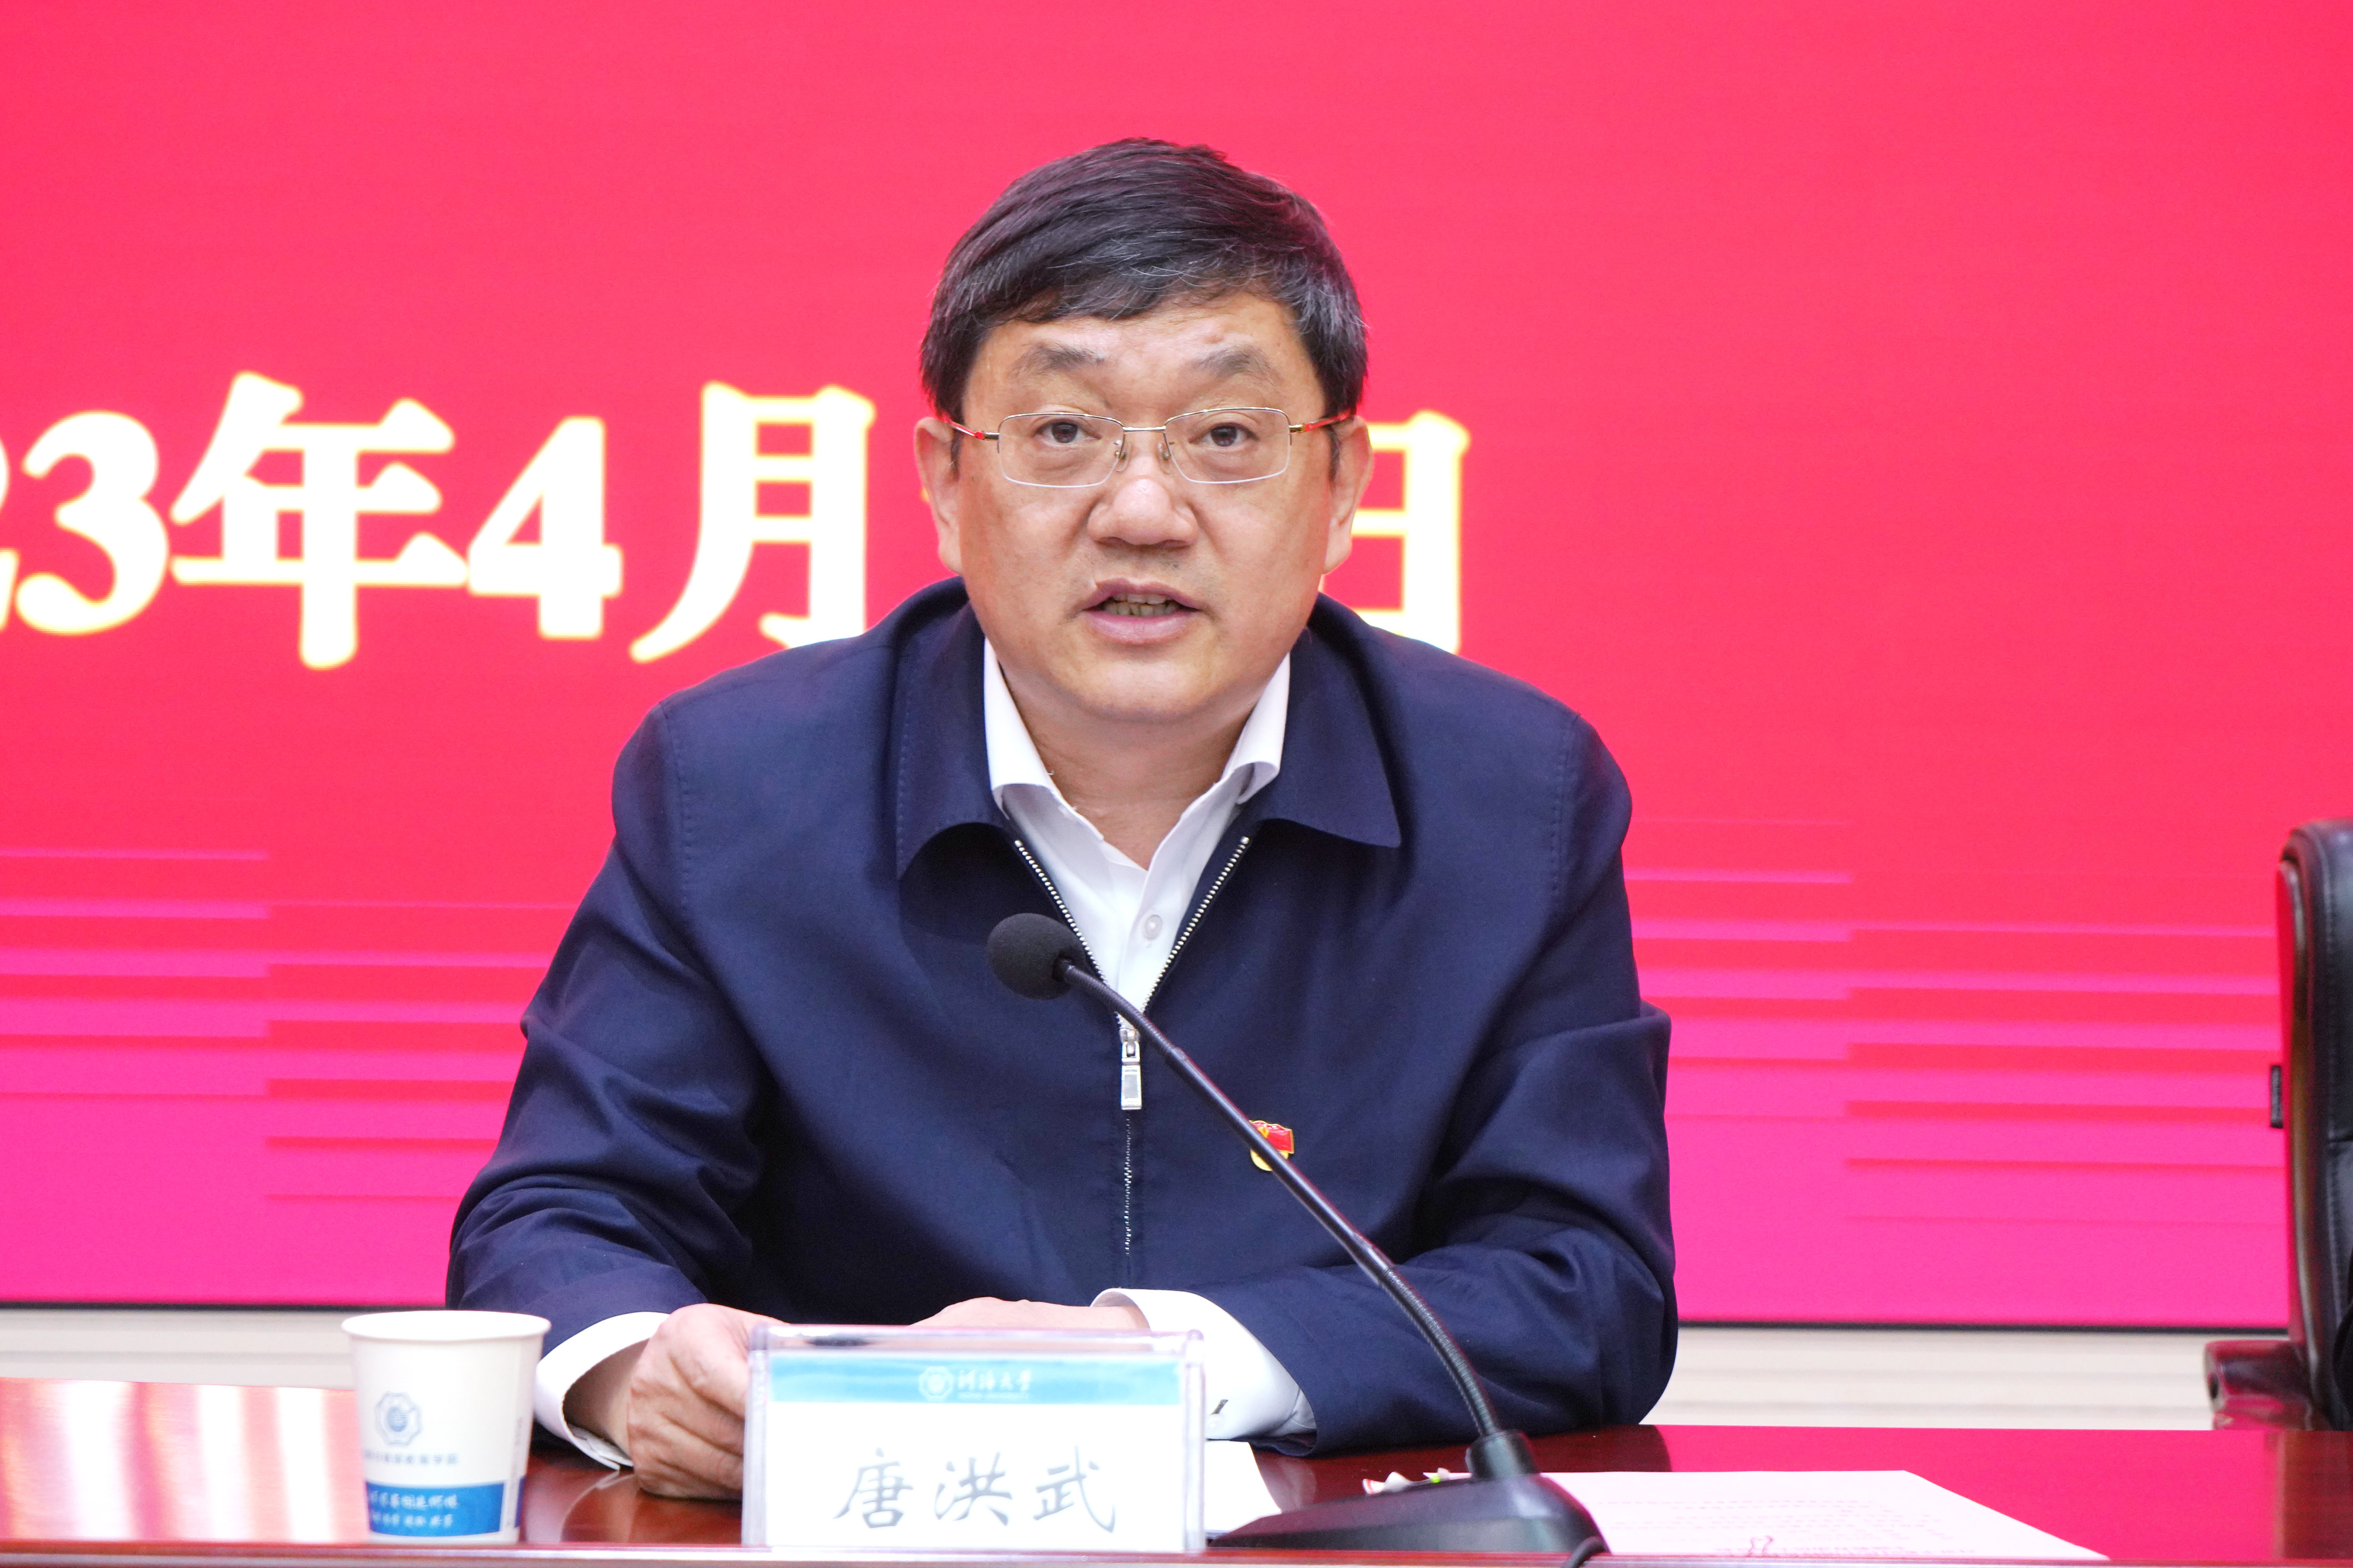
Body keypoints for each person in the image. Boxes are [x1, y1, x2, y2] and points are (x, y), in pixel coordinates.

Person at [448, 138, 1674, 1499]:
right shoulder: (736, 786)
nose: (1142, 512)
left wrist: (1160, 1358)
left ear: (1341, 488)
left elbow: (1586, 1285)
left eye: (1226, 437)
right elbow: (557, 1218)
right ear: (944, 481)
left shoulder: (1511, 800)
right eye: (1063, 435)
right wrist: (641, 1373)